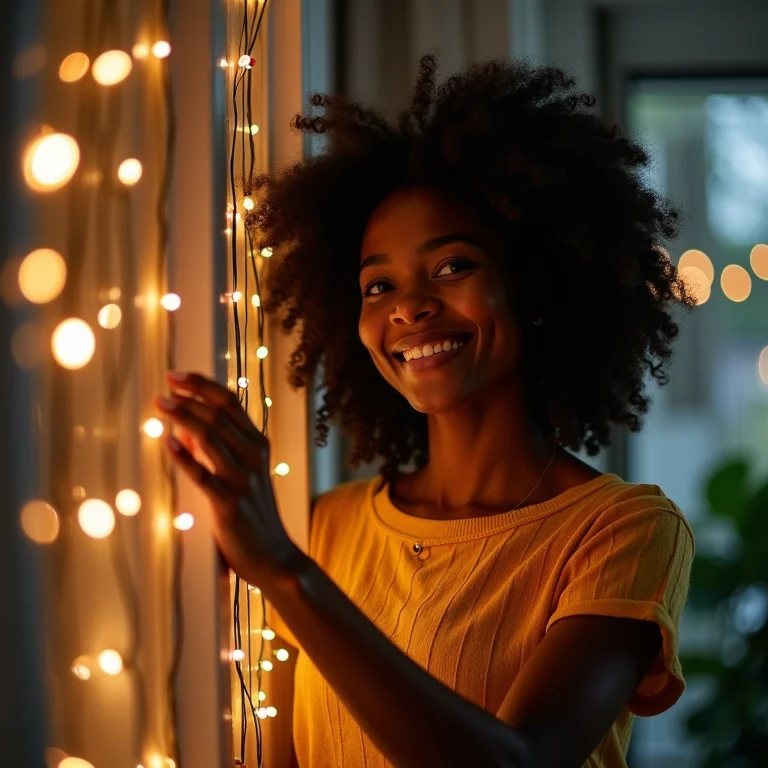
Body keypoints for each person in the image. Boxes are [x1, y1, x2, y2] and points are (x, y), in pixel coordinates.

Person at [155, 54, 696, 767]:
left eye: (452, 267)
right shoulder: (326, 526)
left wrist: (286, 572)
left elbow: (519, 761)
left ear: (532, 287)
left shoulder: (624, 531)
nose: (408, 307)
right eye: (377, 286)